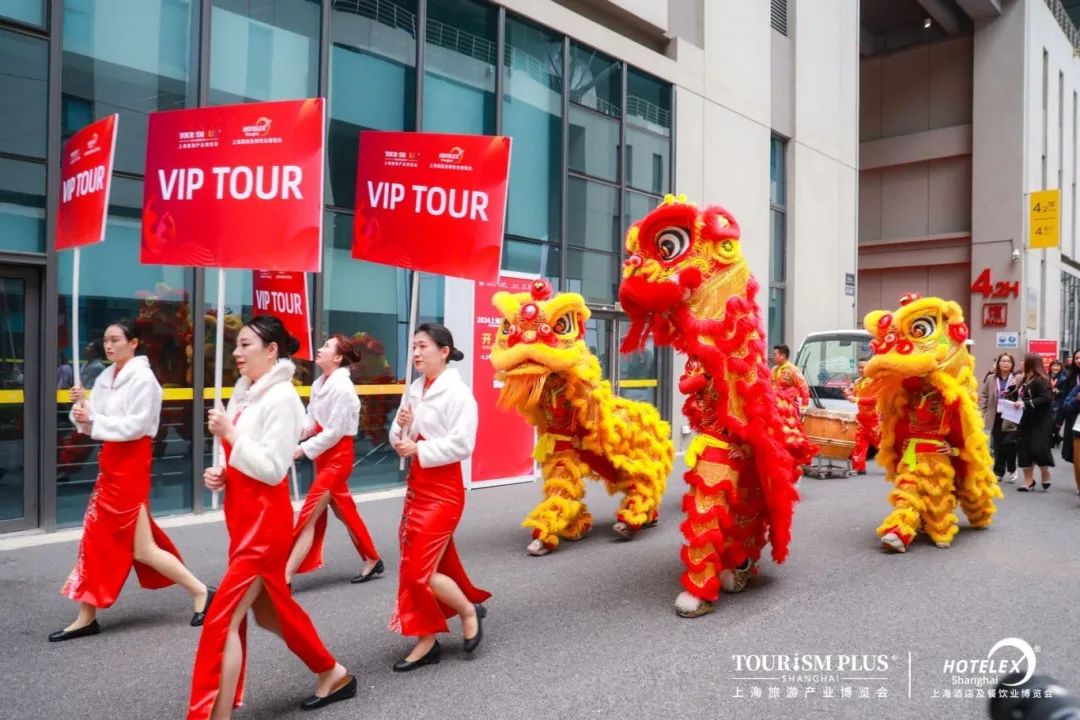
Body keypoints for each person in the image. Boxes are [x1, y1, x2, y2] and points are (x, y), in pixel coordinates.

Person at [188, 316, 355, 718]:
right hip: (243, 519)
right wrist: (224, 474)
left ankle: (213, 714)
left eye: (245, 345)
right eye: (237, 345)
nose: (236, 352)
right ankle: (332, 672)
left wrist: (230, 435)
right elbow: (250, 460)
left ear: (272, 350)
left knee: (220, 620)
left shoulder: (280, 398)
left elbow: (274, 469)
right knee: (270, 613)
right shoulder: (248, 394)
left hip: (263, 527)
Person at [50, 320, 212, 642]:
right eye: (106, 341)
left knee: (143, 548)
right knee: (95, 539)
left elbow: (136, 426)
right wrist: (79, 408)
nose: (109, 346)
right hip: (110, 463)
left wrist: (93, 418)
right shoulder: (107, 377)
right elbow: (90, 424)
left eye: (116, 340)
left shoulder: (144, 379)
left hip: (131, 465)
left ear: (134, 343)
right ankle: (86, 615)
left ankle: (201, 591)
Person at [388, 322, 490, 672]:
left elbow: (463, 445)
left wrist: (420, 446)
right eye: (413, 347)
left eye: (423, 347)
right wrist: (401, 426)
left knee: (419, 571)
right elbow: (399, 439)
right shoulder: (414, 390)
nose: (415, 353)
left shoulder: (459, 394)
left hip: (444, 491)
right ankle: (426, 636)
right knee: (415, 564)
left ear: (444, 351)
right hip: (417, 488)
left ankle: (466, 611)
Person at [285, 334, 382, 585]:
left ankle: (283, 576)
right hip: (324, 454)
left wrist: (303, 449)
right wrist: (295, 436)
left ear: (338, 357)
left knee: (308, 514)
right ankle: (372, 558)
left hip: (338, 456)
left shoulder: (342, 388)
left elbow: (335, 432)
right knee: (345, 512)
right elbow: (312, 420)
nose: (319, 349)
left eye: (326, 346)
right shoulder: (321, 383)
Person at [1014, 353, 1055, 492]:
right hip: (1024, 419)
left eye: (1024, 361)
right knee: (1024, 449)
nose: (1021, 364)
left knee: (1039, 448)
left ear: (1031, 363)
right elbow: (1019, 396)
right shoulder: (1024, 379)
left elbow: (1046, 398)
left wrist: (1026, 403)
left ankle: (1045, 473)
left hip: (1041, 421)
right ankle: (1028, 481)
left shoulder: (1041, 380)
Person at [979, 353, 1019, 483]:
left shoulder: (1017, 378)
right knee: (998, 445)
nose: (1005, 363)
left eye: (1008, 361)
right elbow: (984, 395)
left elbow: (1023, 394)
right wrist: (982, 411)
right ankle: (998, 471)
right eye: (1003, 361)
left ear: (1012, 364)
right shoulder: (991, 378)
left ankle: (1012, 469)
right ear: (998, 363)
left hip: (1011, 415)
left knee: (1009, 443)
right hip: (995, 415)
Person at [771, 343, 809, 407]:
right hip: (775, 408)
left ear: (783, 356)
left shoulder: (793, 370)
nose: (773, 357)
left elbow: (804, 388)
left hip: (789, 410)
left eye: (775, 355)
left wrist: (804, 407)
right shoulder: (773, 370)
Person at [1049, 359, 1067, 447]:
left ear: (1061, 367)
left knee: (1055, 421)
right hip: (1047, 402)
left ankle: (1054, 437)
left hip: (1058, 403)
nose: (1055, 368)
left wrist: (1058, 391)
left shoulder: (1063, 379)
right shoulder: (1046, 377)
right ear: (1050, 367)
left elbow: (1066, 392)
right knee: (1048, 421)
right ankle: (1057, 437)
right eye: (1054, 366)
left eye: (1057, 366)